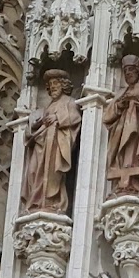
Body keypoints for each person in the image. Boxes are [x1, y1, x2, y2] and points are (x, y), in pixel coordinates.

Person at [17, 65, 84, 215]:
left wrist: (57, 118)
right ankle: (36, 202)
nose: (53, 87)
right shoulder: (48, 106)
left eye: (56, 84)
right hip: (41, 145)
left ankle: (52, 203)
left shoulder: (69, 102)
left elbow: (75, 118)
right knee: (33, 171)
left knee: (52, 174)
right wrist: (38, 124)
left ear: (63, 85)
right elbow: (40, 122)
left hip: (55, 145)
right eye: (50, 84)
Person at [103, 56, 139, 199]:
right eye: (125, 71)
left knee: (135, 155)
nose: (128, 73)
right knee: (123, 155)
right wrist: (120, 106)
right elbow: (107, 116)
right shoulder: (121, 93)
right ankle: (121, 184)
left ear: (138, 72)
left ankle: (136, 184)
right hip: (122, 130)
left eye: (131, 70)